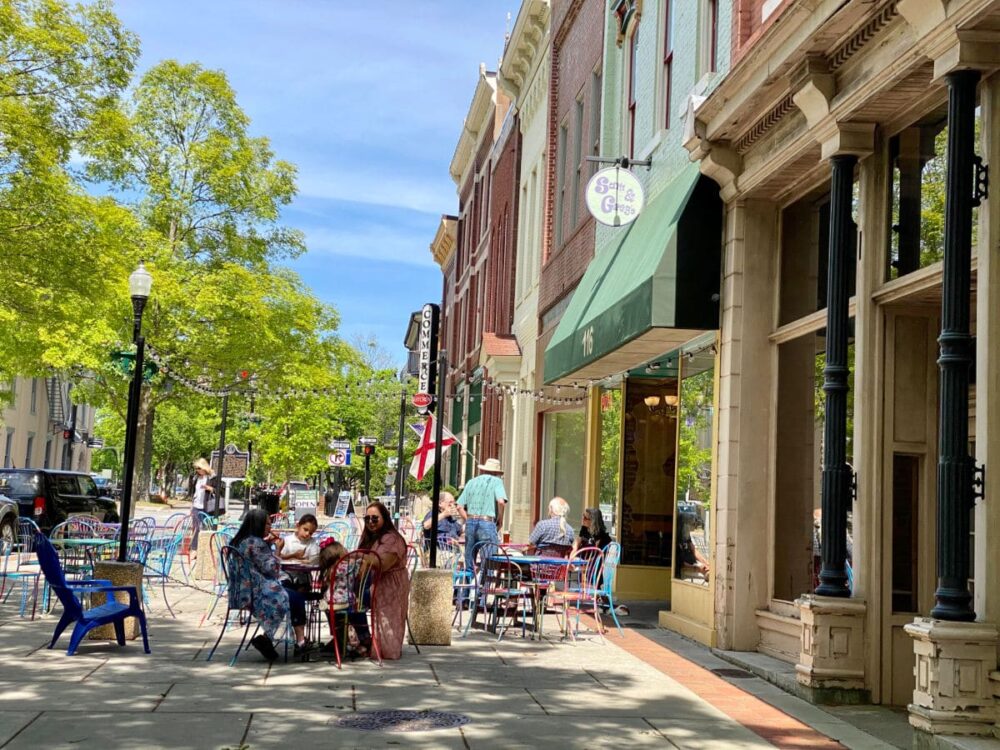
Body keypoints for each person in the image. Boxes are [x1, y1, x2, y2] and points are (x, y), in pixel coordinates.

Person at [229, 509, 310, 659]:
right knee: (296, 598)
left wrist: (268, 546)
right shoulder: (256, 543)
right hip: (257, 591)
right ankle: (300, 643)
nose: (269, 527)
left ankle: (267, 639)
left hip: (241, 591)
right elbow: (271, 569)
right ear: (258, 524)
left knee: (292, 594)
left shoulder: (241, 540)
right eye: (267, 523)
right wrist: (277, 549)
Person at [357, 500, 410, 660]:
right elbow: (362, 570)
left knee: (350, 601)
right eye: (367, 519)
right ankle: (356, 639)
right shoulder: (370, 537)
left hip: (390, 584)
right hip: (373, 582)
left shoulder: (391, 539)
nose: (370, 522)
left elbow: (383, 564)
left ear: (385, 518)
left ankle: (364, 640)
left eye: (375, 518)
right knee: (334, 599)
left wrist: (361, 556)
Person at [316, 538, 372, 658]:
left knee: (330, 611)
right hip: (348, 600)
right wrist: (359, 560)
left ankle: (340, 637)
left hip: (332, 602)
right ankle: (355, 639)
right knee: (346, 613)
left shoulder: (329, 569)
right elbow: (363, 564)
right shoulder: (349, 566)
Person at [456, 458, 507, 574]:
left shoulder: (471, 482)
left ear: (483, 470)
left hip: (470, 523)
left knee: (469, 562)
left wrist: (468, 518)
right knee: (488, 563)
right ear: (496, 473)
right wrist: (500, 519)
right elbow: (501, 502)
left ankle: (464, 591)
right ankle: (482, 591)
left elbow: (459, 506)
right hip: (487, 522)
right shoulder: (496, 481)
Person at [276, 514, 319, 593]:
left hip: (303, 575)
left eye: (311, 533)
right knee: (286, 589)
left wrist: (307, 561)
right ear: (298, 526)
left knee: (303, 589)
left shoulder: (312, 542)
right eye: (305, 529)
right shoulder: (287, 540)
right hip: (286, 574)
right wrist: (294, 556)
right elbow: (278, 557)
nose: (307, 534)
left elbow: (315, 558)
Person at [190, 458, 216, 561]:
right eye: (196, 468)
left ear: (204, 467)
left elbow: (219, 490)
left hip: (207, 507)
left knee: (205, 528)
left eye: (199, 468)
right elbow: (194, 493)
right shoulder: (197, 478)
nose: (197, 470)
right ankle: (194, 549)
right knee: (196, 528)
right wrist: (192, 506)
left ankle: (202, 550)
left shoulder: (212, 477)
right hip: (197, 506)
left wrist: (209, 488)